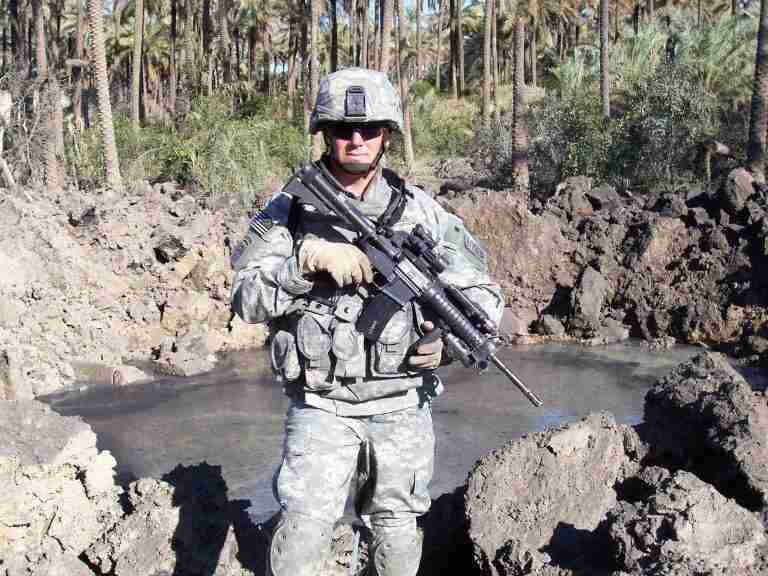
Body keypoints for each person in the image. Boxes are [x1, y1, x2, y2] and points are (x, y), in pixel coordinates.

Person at [230, 67, 503, 576]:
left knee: (397, 536)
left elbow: (484, 295)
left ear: (388, 134)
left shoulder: (424, 214)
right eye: (341, 129)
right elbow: (245, 299)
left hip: (402, 404)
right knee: (302, 535)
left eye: (370, 128)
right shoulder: (287, 212)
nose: (356, 139)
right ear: (323, 132)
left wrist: (444, 343)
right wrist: (303, 262)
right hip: (321, 405)